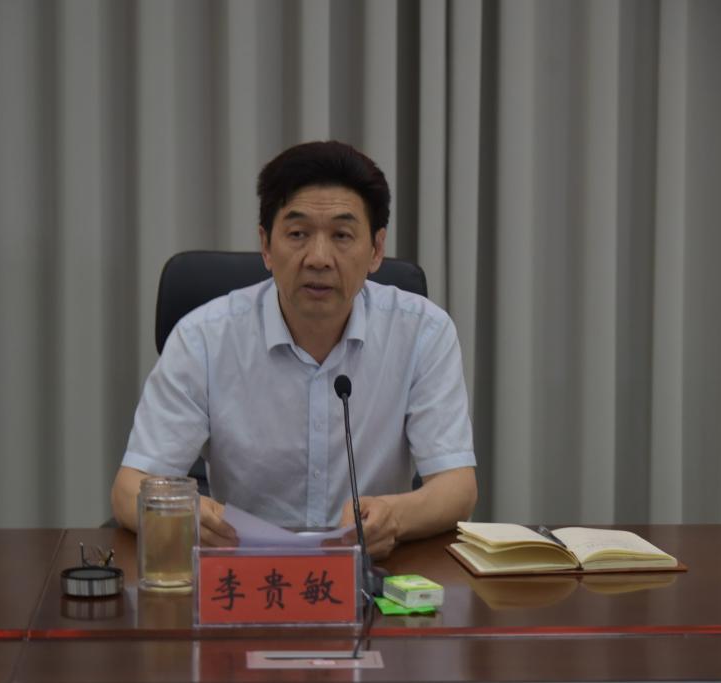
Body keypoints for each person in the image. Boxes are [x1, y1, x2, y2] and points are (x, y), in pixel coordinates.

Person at [111, 141, 476, 559]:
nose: (318, 258)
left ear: (376, 250)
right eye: (298, 234)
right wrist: (186, 516)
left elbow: (457, 487)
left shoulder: (423, 332)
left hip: (372, 574)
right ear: (267, 246)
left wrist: (396, 516)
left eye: (342, 235)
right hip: (245, 574)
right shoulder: (204, 338)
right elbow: (129, 490)